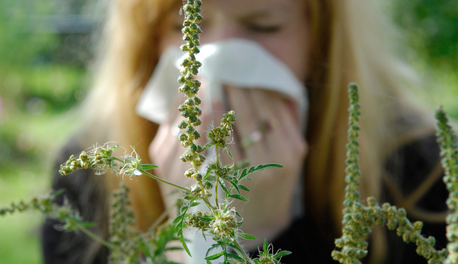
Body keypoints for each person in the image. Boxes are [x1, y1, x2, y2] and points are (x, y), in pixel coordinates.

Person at [41, 0, 448, 263]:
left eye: (263, 26)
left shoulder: (424, 173)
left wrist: (264, 235)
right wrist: (193, 237)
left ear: (322, 39)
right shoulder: (90, 175)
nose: (217, 53)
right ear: (146, 41)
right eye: (186, 25)